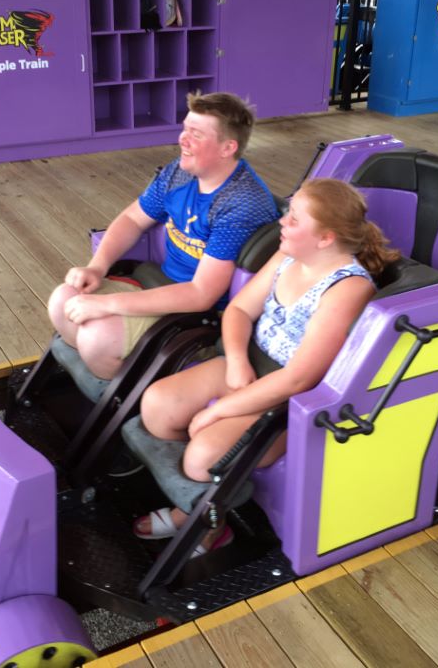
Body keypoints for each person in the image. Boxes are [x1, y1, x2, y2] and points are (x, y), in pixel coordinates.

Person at [131, 178, 400, 553]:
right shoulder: (288, 254)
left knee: (203, 456)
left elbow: (299, 378)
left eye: (294, 219)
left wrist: (218, 411)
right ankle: (203, 498)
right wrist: (237, 361)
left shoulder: (348, 288)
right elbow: (240, 308)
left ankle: (206, 522)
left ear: (325, 238)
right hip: (254, 364)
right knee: (156, 405)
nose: (282, 223)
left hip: (291, 401)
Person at [48, 92, 279, 381]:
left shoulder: (241, 204)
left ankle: (127, 400)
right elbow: (132, 218)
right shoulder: (179, 174)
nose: (183, 139)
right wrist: (98, 266)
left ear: (227, 147)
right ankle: (106, 386)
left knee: (97, 337)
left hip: (199, 315)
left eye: (195, 134)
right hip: (156, 282)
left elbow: (200, 295)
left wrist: (104, 304)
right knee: (63, 300)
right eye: (185, 128)